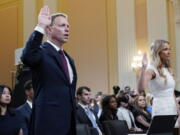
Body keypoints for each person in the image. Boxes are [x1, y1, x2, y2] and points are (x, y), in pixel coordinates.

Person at [21, 6, 77, 135]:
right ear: (50, 29)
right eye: (62, 25)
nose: (67, 28)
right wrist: (40, 26)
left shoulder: (69, 59)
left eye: (68, 26)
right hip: (48, 123)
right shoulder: (41, 51)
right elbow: (27, 56)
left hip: (68, 124)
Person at [138, 39, 178, 117]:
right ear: (158, 52)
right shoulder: (151, 69)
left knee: (174, 129)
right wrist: (143, 68)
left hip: (172, 107)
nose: (169, 52)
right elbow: (140, 89)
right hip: (161, 108)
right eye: (165, 49)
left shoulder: (168, 69)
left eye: (169, 49)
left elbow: (171, 92)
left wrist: (177, 109)